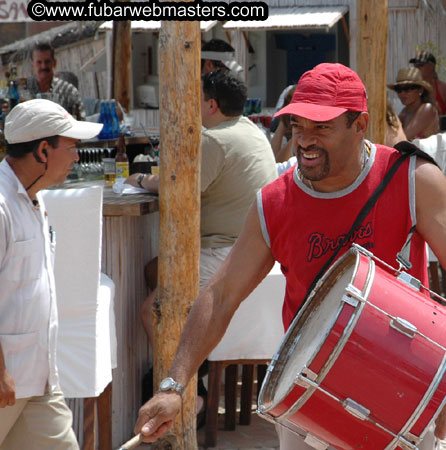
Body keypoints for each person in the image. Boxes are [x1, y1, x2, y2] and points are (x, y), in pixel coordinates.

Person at [132, 63, 446, 448]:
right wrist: (173, 385)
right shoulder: (273, 203)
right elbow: (220, 295)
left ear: (360, 125)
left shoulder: (412, 178)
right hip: (308, 399)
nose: (305, 140)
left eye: (322, 127)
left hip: (403, 387)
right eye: (298, 126)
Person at [125, 70, 277, 421]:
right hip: (254, 255)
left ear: (211, 104)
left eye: (196, 100)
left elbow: (176, 188)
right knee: (153, 269)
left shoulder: (214, 140)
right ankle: (200, 365)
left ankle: (188, 391)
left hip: (226, 253)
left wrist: (140, 178)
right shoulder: (252, 131)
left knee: (153, 310)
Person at [0, 99, 102, 449]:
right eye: (71, 147)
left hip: (38, 379)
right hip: (7, 379)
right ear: (43, 151)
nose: (76, 157)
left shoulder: (34, 197)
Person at [27, 43, 86, 121]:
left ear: (54, 62)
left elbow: (81, 122)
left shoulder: (69, 91)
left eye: (47, 62)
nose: (43, 66)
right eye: (39, 62)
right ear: (32, 64)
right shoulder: (24, 91)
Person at [389, 67, 440, 140]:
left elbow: (403, 138)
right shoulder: (405, 112)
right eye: (399, 90)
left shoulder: (427, 109)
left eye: (408, 88)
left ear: (420, 90)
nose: (402, 93)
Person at [410, 50, 446, 120]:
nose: (417, 68)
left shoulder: (444, 89)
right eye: (415, 65)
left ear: (432, 66)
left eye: (420, 65)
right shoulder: (409, 87)